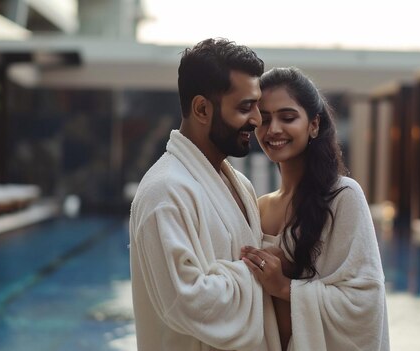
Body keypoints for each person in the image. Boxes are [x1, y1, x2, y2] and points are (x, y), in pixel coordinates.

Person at [129, 38, 281, 351]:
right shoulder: (165, 192)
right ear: (201, 108)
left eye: (256, 106)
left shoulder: (240, 183)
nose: (256, 120)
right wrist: (262, 274)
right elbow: (187, 302)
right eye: (244, 107)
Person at [241, 67, 389, 351]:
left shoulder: (343, 196)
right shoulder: (258, 207)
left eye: (288, 117)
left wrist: (283, 285)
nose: (273, 130)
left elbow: (365, 302)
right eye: (265, 119)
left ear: (314, 124)